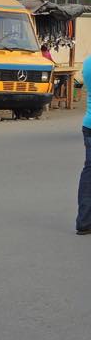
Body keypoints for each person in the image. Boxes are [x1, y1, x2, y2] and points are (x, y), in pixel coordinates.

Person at [77, 54, 91, 235]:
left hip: (89, 124)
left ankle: (84, 221)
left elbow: (79, 83)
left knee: (89, 171)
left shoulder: (88, 62)